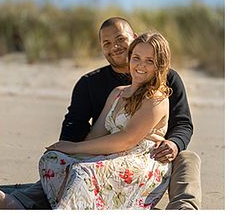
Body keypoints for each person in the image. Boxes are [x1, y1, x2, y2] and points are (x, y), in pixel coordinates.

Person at [0, 17, 200, 210]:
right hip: (105, 151)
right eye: (107, 43)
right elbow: (80, 127)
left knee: (188, 158)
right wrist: (65, 151)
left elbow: (182, 123)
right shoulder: (95, 85)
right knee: (57, 162)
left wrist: (175, 143)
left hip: (154, 153)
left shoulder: (166, 82)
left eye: (120, 39)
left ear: (134, 38)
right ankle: (26, 199)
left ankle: (183, 209)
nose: (115, 46)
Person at [38, 32, 172, 209]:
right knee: (52, 159)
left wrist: (74, 147)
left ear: (159, 65)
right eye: (136, 58)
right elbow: (97, 133)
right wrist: (70, 153)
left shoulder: (156, 99)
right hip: (111, 154)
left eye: (149, 61)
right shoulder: (118, 92)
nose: (140, 65)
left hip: (142, 161)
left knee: (83, 172)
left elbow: (127, 140)